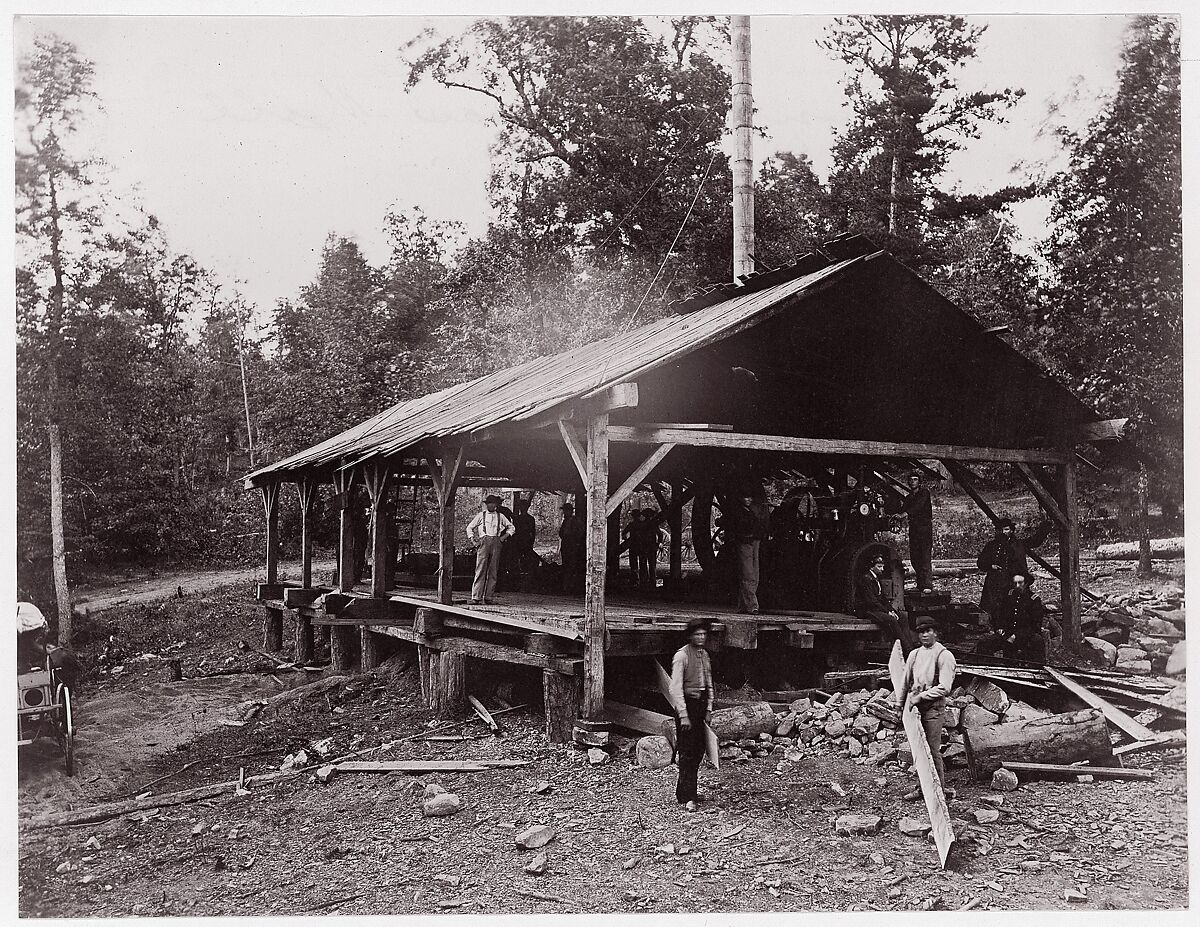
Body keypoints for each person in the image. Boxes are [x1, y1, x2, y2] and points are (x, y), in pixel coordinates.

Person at [896, 616, 957, 801]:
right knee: (917, 749)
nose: (924, 634)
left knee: (931, 749)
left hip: (933, 707)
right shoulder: (915, 654)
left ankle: (938, 791)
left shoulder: (944, 655)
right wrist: (900, 705)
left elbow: (945, 687)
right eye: (921, 631)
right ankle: (922, 788)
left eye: (928, 631)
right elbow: (904, 681)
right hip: (915, 708)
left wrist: (921, 696)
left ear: (936, 633)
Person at [668, 616, 715, 811]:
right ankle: (687, 797)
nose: (701, 637)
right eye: (697, 634)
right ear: (690, 636)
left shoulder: (704, 655)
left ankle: (689, 792)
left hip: (701, 704)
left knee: (698, 750)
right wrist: (684, 714)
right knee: (687, 751)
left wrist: (710, 707)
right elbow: (675, 688)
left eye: (704, 634)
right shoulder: (682, 656)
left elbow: (709, 683)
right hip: (687, 704)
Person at [977, 518, 1053, 621]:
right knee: (993, 609)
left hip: (1013, 581)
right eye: (1001, 530)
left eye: (1006, 529)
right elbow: (980, 562)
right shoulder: (991, 546)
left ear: (1011, 530)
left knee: (1015, 607)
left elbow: (1036, 541)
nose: (1003, 532)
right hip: (995, 583)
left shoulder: (1019, 544)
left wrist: (1046, 525)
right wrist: (991, 566)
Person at [857, 553, 916, 652]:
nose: (882, 569)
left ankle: (910, 646)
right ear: (872, 567)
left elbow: (883, 598)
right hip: (868, 610)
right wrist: (887, 612)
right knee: (891, 620)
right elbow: (872, 601)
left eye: (882, 566)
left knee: (902, 617)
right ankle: (906, 649)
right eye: (879, 567)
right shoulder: (866, 579)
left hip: (877, 609)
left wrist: (892, 610)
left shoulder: (877, 578)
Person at [726, 488, 771, 614]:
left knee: (754, 575)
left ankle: (743, 605)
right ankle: (752, 605)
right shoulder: (738, 512)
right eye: (746, 497)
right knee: (748, 574)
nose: (749, 499)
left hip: (755, 542)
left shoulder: (751, 511)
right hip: (745, 543)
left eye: (750, 497)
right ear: (740, 498)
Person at [467, 495, 515, 605]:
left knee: (493, 570)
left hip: (496, 542)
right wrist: (473, 541)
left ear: (496, 505)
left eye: (493, 503)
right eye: (489, 503)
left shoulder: (501, 516)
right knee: (480, 569)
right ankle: (476, 597)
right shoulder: (481, 515)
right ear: (486, 504)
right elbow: (469, 527)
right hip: (484, 541)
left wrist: (503, 538)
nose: (491, 505)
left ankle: (488, 597)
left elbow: (511, 527)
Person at [998, 572, 1048, 662]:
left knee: (1037, 641)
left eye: (1020, 583)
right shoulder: (1008, 596)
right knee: (985, 642)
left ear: (1026, 584)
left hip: (1025, 636)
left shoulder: (1034, 600)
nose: (1017, 586)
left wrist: (1016, 636)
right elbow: (999, 615)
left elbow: (1035, 625)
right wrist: (1000, 628)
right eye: (1015, 583)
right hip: (1007, 634)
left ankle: (1037, 670)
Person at [901, 474, 935, 593]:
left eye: (915, 479)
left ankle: (927, 585)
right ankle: (920, 584)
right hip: (914, 529)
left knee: (924, 556)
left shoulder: (924, 493)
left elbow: (918, 506)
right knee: (915, 557)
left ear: (919, 482)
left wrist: (905, 514)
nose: (912, 482)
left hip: (924, 528)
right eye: (910, 480)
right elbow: (902, 509)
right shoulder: (909, 497)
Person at [558, 503, 586, 593]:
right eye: (564, 511)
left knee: (573, 566)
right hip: (566, 546)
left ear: (571, 511)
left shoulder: (576, 521)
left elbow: (581, 532)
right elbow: (561, 533)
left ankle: (572, 586)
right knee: (566, 566)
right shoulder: (565, 521)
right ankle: (566, 586)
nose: (565, 512)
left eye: (567, 510)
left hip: (573, 547)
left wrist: (575, 541)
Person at [511, 498, 539, 579]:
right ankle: (519, 572)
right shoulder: (517, 519)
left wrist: (531, 541)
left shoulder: (530, 519)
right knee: (518, 557)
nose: (522, 508)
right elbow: (514, 531)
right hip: (518, 541)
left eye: (524, 507)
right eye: (521, 506)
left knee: (527, 557)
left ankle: (527, 572)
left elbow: (532, 532)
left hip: (527, 541)